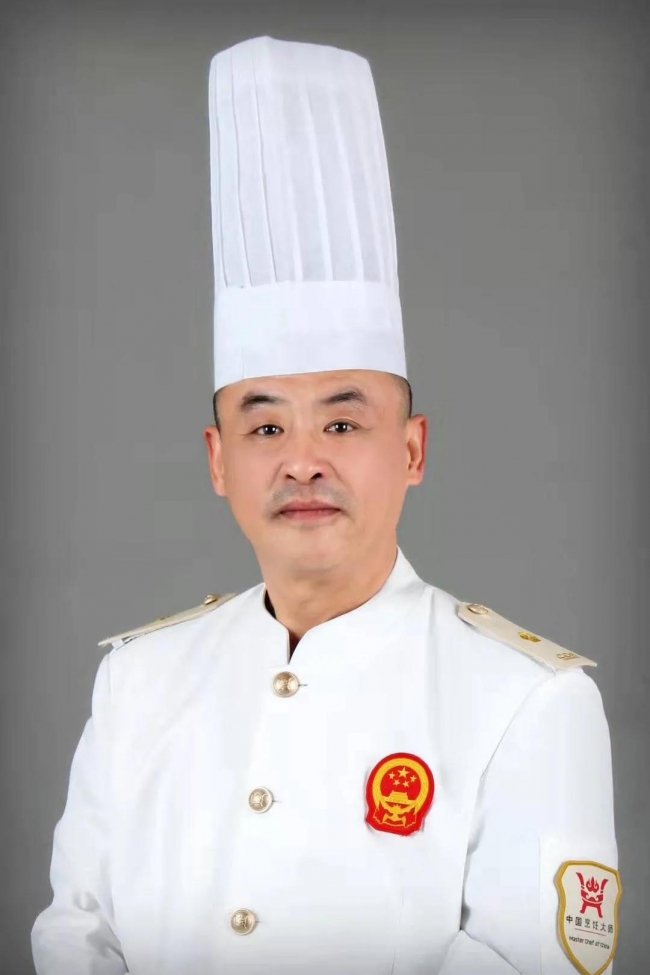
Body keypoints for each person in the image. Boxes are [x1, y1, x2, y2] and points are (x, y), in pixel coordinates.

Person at [31, 35, 619, 975]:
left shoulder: (528, 701)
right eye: (265, 426)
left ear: (412, 449)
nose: (302, 461)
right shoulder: (137, 682)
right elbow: (77, 932)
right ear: (218, 460)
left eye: (343, 424)